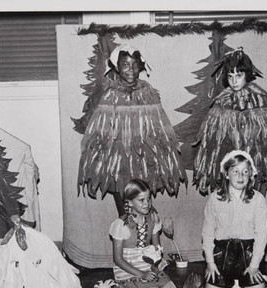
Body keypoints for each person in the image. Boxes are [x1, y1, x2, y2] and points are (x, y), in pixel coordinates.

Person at [78, 44, 187, 216]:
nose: (131, 70)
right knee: (125, 210)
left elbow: (159, 122)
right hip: (117, 159)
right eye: (125, 65)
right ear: (117, 67)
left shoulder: (147, 92)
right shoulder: (110, 94)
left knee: (143, 204)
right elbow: (100, 128)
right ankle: (126, 237)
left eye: (135, 65)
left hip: (144, 156)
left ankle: (147, 239)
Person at [194, 47, 267, 196]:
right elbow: (210, 142)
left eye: (238, 75)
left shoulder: (259, 99)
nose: (234, 81)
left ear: (247, 75)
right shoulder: (222, 102)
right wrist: (205, 173)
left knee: (251, 208)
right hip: (229, 169)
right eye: (230, 76)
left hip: (253, 169)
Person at [201, 150, 267, 288]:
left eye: (245, 172)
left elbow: (261, 235)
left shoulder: (258, 199)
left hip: (247, 254)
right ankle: (230, 285)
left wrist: (254, 265)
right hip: (222, 254)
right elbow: (208, 232)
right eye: (235, 171)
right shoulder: (215, 198)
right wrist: (210, 262)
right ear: (226, 174)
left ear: (250, 175)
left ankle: (243, 285)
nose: (240, 176)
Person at [109, 179, 179, 288]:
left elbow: (156, 247)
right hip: (129, 269)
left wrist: (157, 263)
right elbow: (117, 259)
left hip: (148, 266)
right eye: (141, 200)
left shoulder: (152, 219)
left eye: (149, 199)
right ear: (129, 202)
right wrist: (141, 274)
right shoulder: (121, 225)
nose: (147, 203)